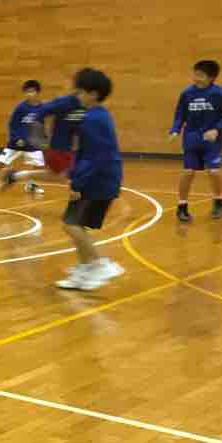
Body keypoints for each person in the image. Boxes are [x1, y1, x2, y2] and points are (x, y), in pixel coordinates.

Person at [56, 68, 126, 291]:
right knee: (76, 224)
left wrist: (78, 182)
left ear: (93, 94)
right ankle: (85, 268)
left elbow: (96, 156)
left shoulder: (92, 120)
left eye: (80, 91)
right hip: (103, 178)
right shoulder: (98, 114)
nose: (76, 95)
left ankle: (99, 265)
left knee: (71, 225)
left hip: (98, 181)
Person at [169, 59, 222, 223]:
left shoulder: (219, 93)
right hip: (191, 139)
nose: (196, 78)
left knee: (214, 171)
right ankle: (182, 206)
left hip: (211, 141)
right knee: (188, 172)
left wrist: (217, 129)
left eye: (201, 75)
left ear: (211, 78)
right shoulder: (187, 93)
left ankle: (218, 201)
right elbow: (180, 114)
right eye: (195, 74)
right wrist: (175, 130)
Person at [0, 80, 47, 196]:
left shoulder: (42, 108)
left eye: (32, 91)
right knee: (0, 163)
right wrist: (17, 138)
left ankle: (31, 184)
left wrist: (42, 138)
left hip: (32, 144)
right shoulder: (21, 108)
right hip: (16, 143)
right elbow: (12, 125)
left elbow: (40, 125)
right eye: (27, 92)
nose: (29, 94)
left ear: (37, 92)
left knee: (38, 164)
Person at [1, 88, 86, 192]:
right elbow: (40, 111)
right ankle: (15, 176)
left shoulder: (85, 107)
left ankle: (14, 176)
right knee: (67, 176)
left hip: (70, 149)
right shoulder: (64, 102)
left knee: (59, 175)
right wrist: (37, 136)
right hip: (57, 148)